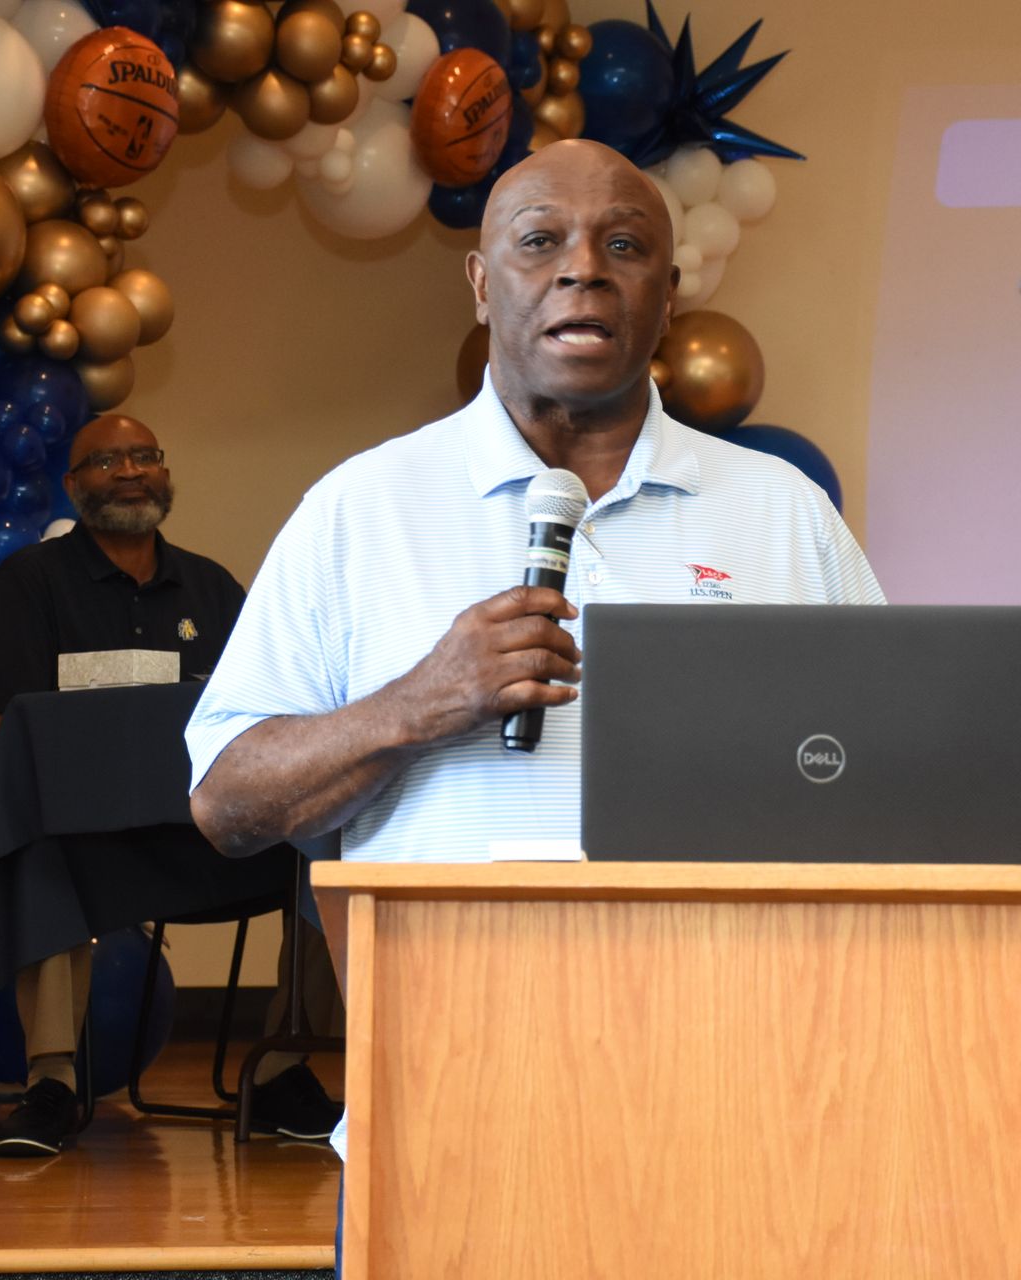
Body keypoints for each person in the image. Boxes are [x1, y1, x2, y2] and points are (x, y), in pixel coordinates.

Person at [186, 140, 883, 1252]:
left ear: (670, 288)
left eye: (624, 245)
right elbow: (226, 800)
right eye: (540, 242)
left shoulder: (780, 513)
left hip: (745, 1108)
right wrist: (422, 701)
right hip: (451, 1118)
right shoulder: (362, 507)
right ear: (481, 281)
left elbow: (893, 781)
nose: (582, 272)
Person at [0, 412, 341, 1158]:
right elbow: (10, 736)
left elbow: (263, 716)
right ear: (73, 487)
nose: (130, 470)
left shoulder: (210, 586)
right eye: (106, 461)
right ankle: (53, 1084)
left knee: (328, 845)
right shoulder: (29, 583)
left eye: (145, 456)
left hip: (208, 837)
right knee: (37, 845)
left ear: (164, 474)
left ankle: (286, 1067)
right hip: (84, 841)